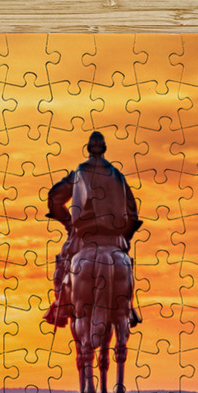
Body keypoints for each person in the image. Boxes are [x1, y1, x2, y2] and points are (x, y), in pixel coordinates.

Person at [43, 131, 142, 328]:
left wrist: (69, 223)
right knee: (126, 264)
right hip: (114, 240)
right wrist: (125, 237)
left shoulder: (78, 174)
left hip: (85, 238)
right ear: (104, 149)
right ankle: (128, 308)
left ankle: (60, 307)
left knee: (63, 262)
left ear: (88, 149)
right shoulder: (119, 177)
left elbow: (54, 197)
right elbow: (133, 215)